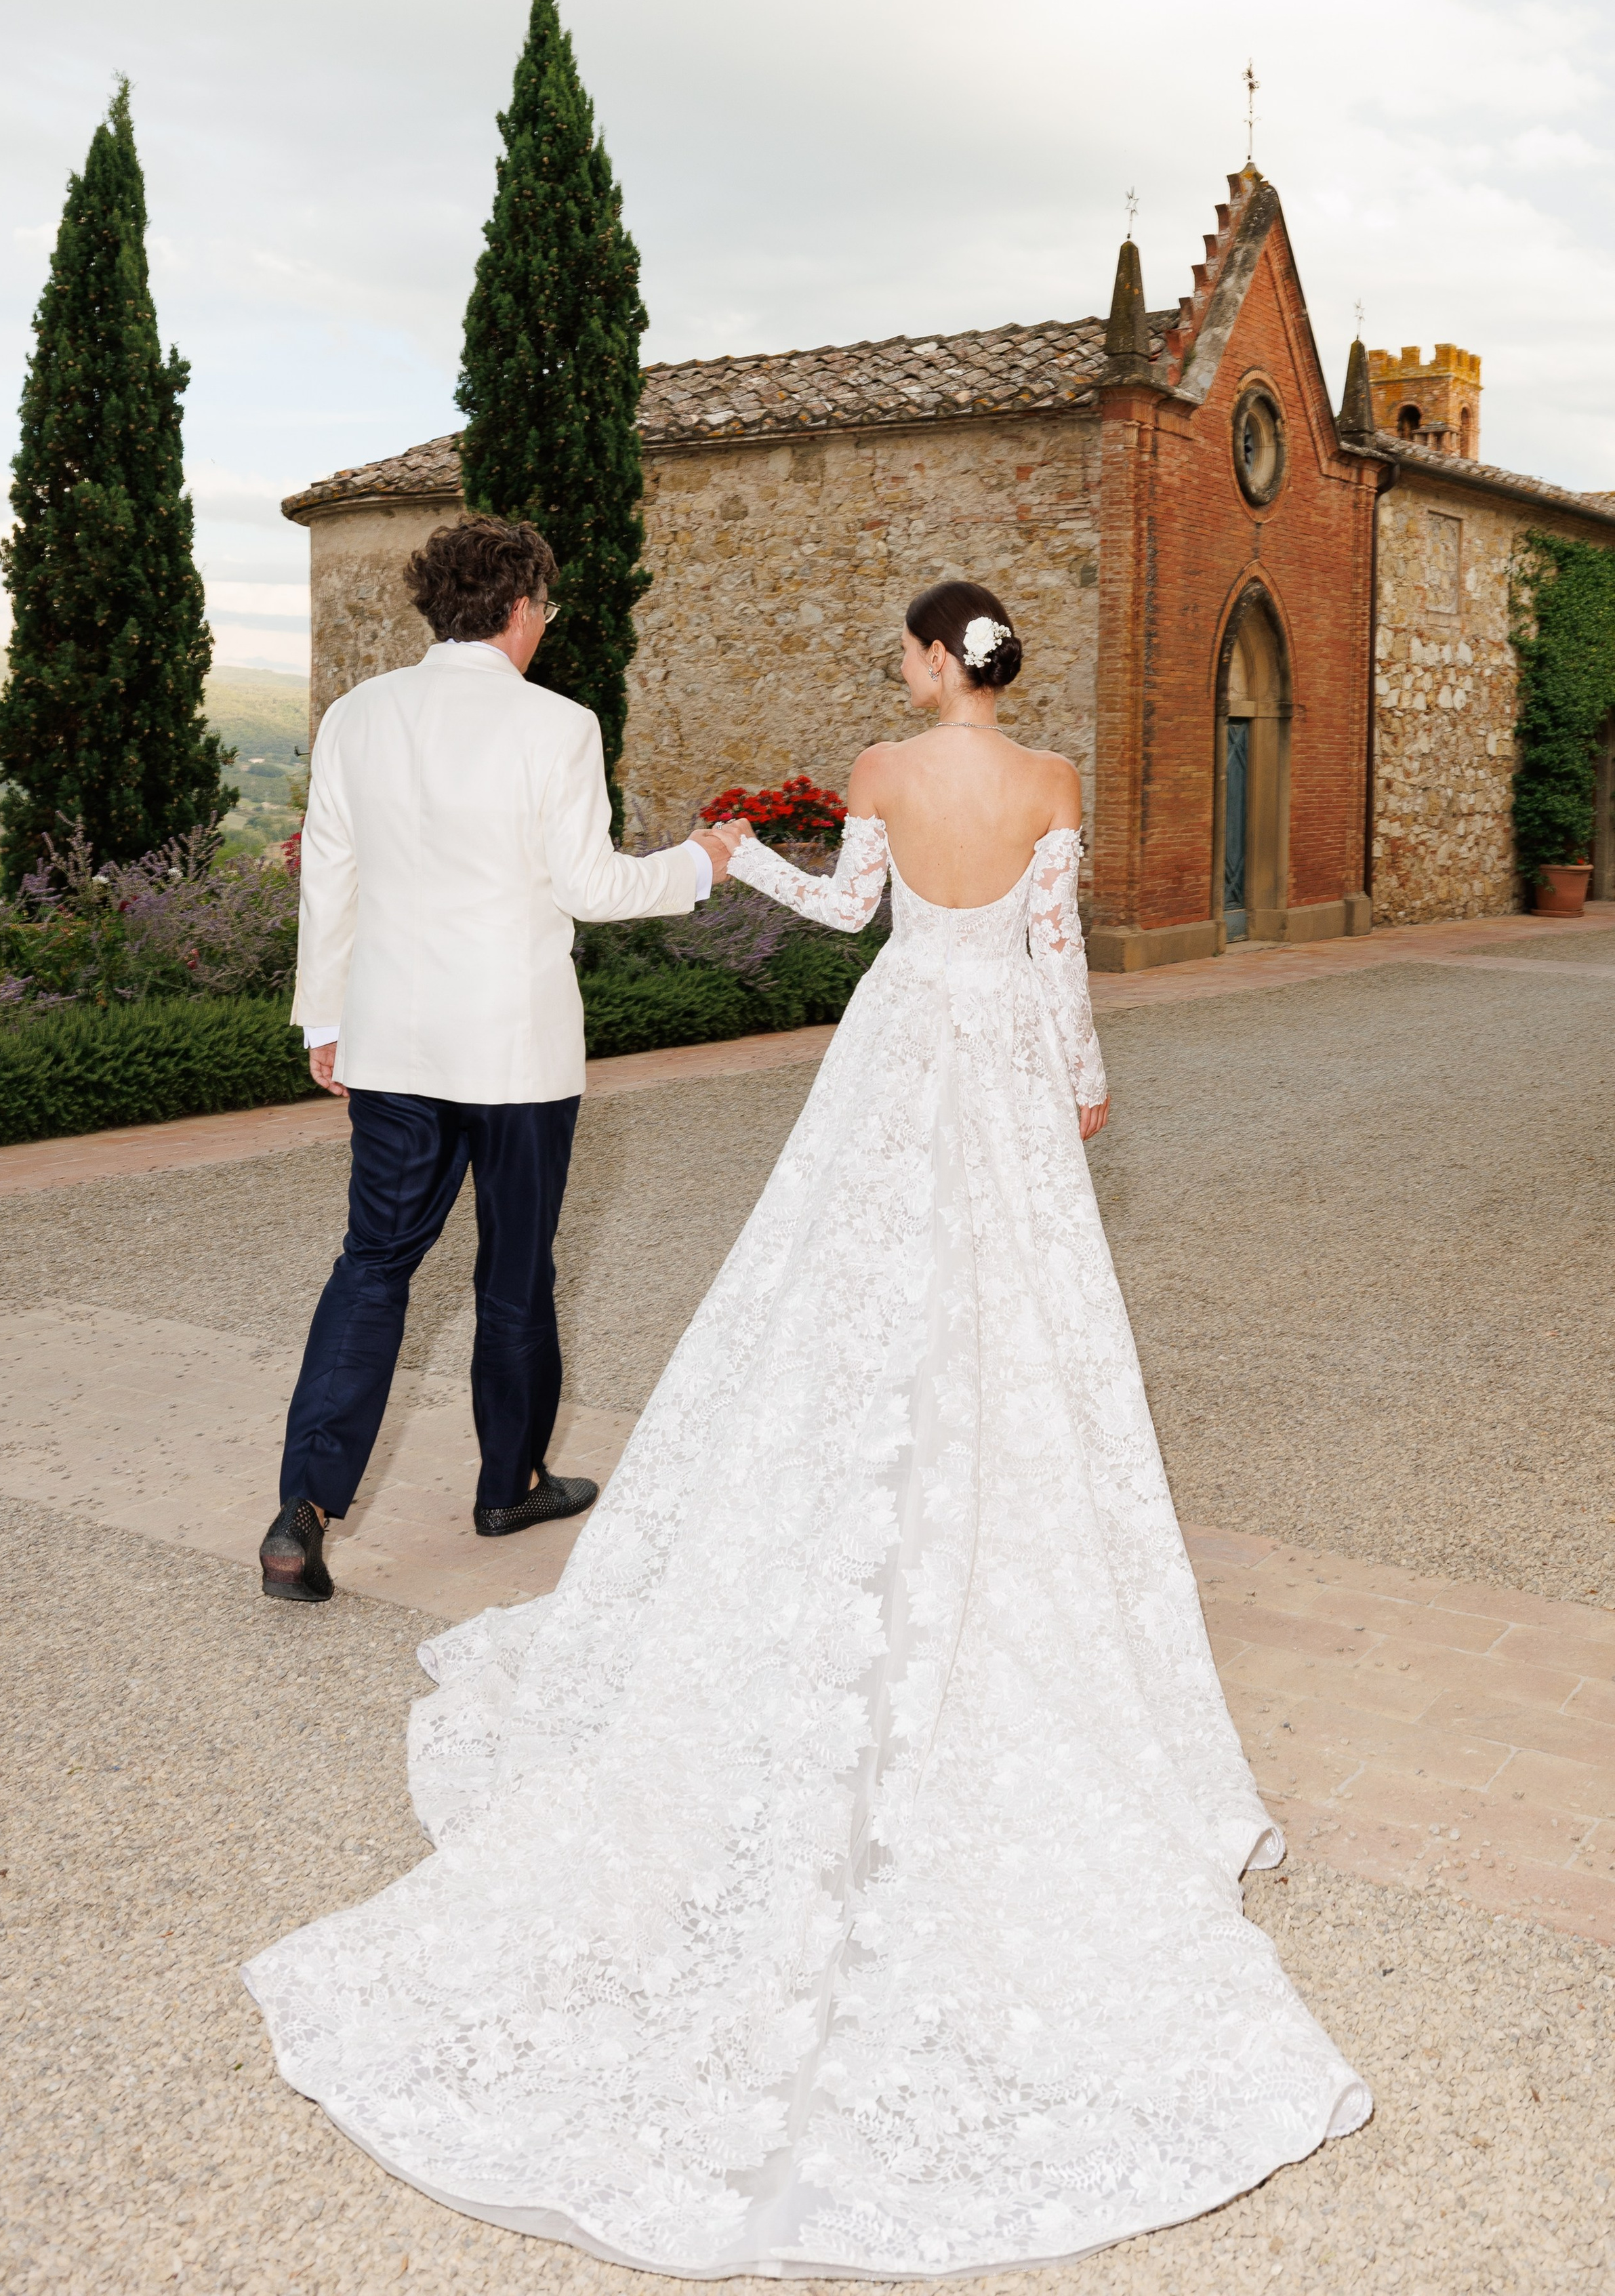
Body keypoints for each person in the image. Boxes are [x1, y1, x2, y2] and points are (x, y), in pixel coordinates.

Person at [245, 578, 1369, 2274]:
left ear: (932, 665)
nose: (900, 670)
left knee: (805, 1282)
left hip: (888, 1038)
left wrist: (732, 850)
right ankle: (885, 1499)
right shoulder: (1056, 781)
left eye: (907, 649)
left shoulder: (877, 768)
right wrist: (1075, 1076)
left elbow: (849, 917)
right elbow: (1059, 958)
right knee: (1007, 1300)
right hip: (993, 1054)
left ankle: (352, 1495)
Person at [256, 514, 733, 1598]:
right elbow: (593, 887)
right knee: (515, 1275)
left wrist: (324, 1023)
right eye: (547, 612)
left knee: (372, 1268)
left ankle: (303, 1509)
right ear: (522, 609)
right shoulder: (558, 726)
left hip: (389, 1045)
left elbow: (330, 876)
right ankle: (507, 1484)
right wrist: (702, 861)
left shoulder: (356, 717)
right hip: (515, 1053)